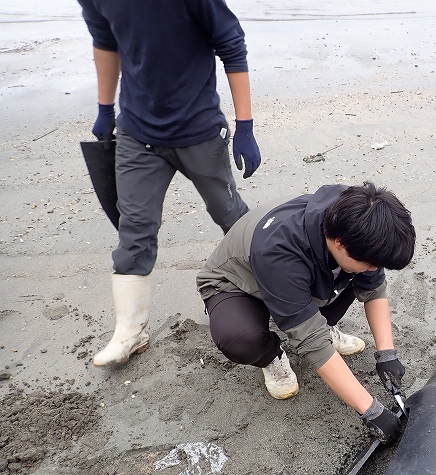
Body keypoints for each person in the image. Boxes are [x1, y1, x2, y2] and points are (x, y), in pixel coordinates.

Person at [77, 0, 262, 367]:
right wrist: (104, 109)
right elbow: (105, 41)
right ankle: (130, 332)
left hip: (199, 131)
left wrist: (245, 126)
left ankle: (284, 294)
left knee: (232, 218)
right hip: (137, 133)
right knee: (135, 227)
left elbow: (231, 46)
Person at [196, 182, 415, 443]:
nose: (374, 269)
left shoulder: (360, 219)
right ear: (339, 243)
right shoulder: (279, 251)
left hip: (298, 277)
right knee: (241, 340)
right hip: (239, 283)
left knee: (354, 276)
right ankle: (271, 356)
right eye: (370, 263)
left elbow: (373, 288)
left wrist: (387, 353)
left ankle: (322, 324)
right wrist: (371, 410)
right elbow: (312, 341)